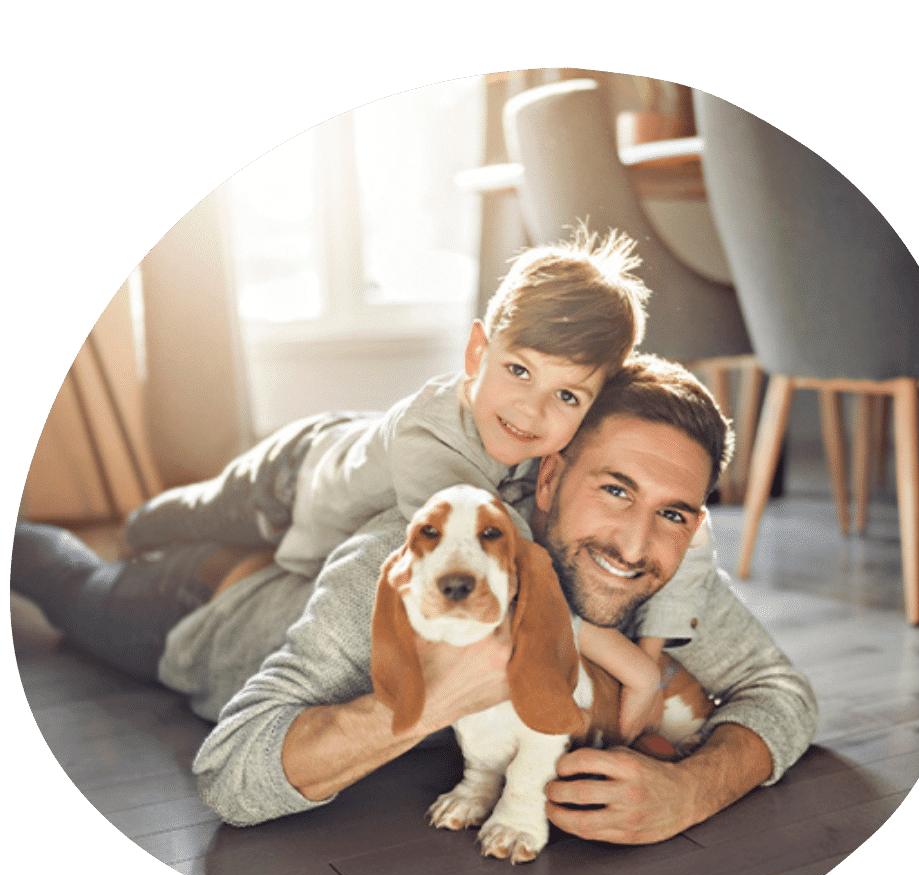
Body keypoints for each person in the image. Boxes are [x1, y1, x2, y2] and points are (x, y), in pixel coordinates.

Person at [11, 354, 818, 843]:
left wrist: (695, 789)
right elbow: (229, 775)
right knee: (72, 578)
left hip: (310, 541)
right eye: (614, 490)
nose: (636, 547)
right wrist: (436, 694)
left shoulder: (655, 565)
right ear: (549, 477)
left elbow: (781, 690)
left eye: (672, 514)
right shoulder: (414, 551)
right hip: (202, 608)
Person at [120, 226, 715, 742]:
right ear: (478, 350)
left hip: (348, 472)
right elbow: (519, 582)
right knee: (183, 515)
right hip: (289, 478)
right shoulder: (433, 451)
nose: (532, 414)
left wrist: (658, 652)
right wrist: (638, 671)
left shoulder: (551, 446)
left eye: (566, 395)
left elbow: (692, 530)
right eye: (518, 371)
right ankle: (136, 528)